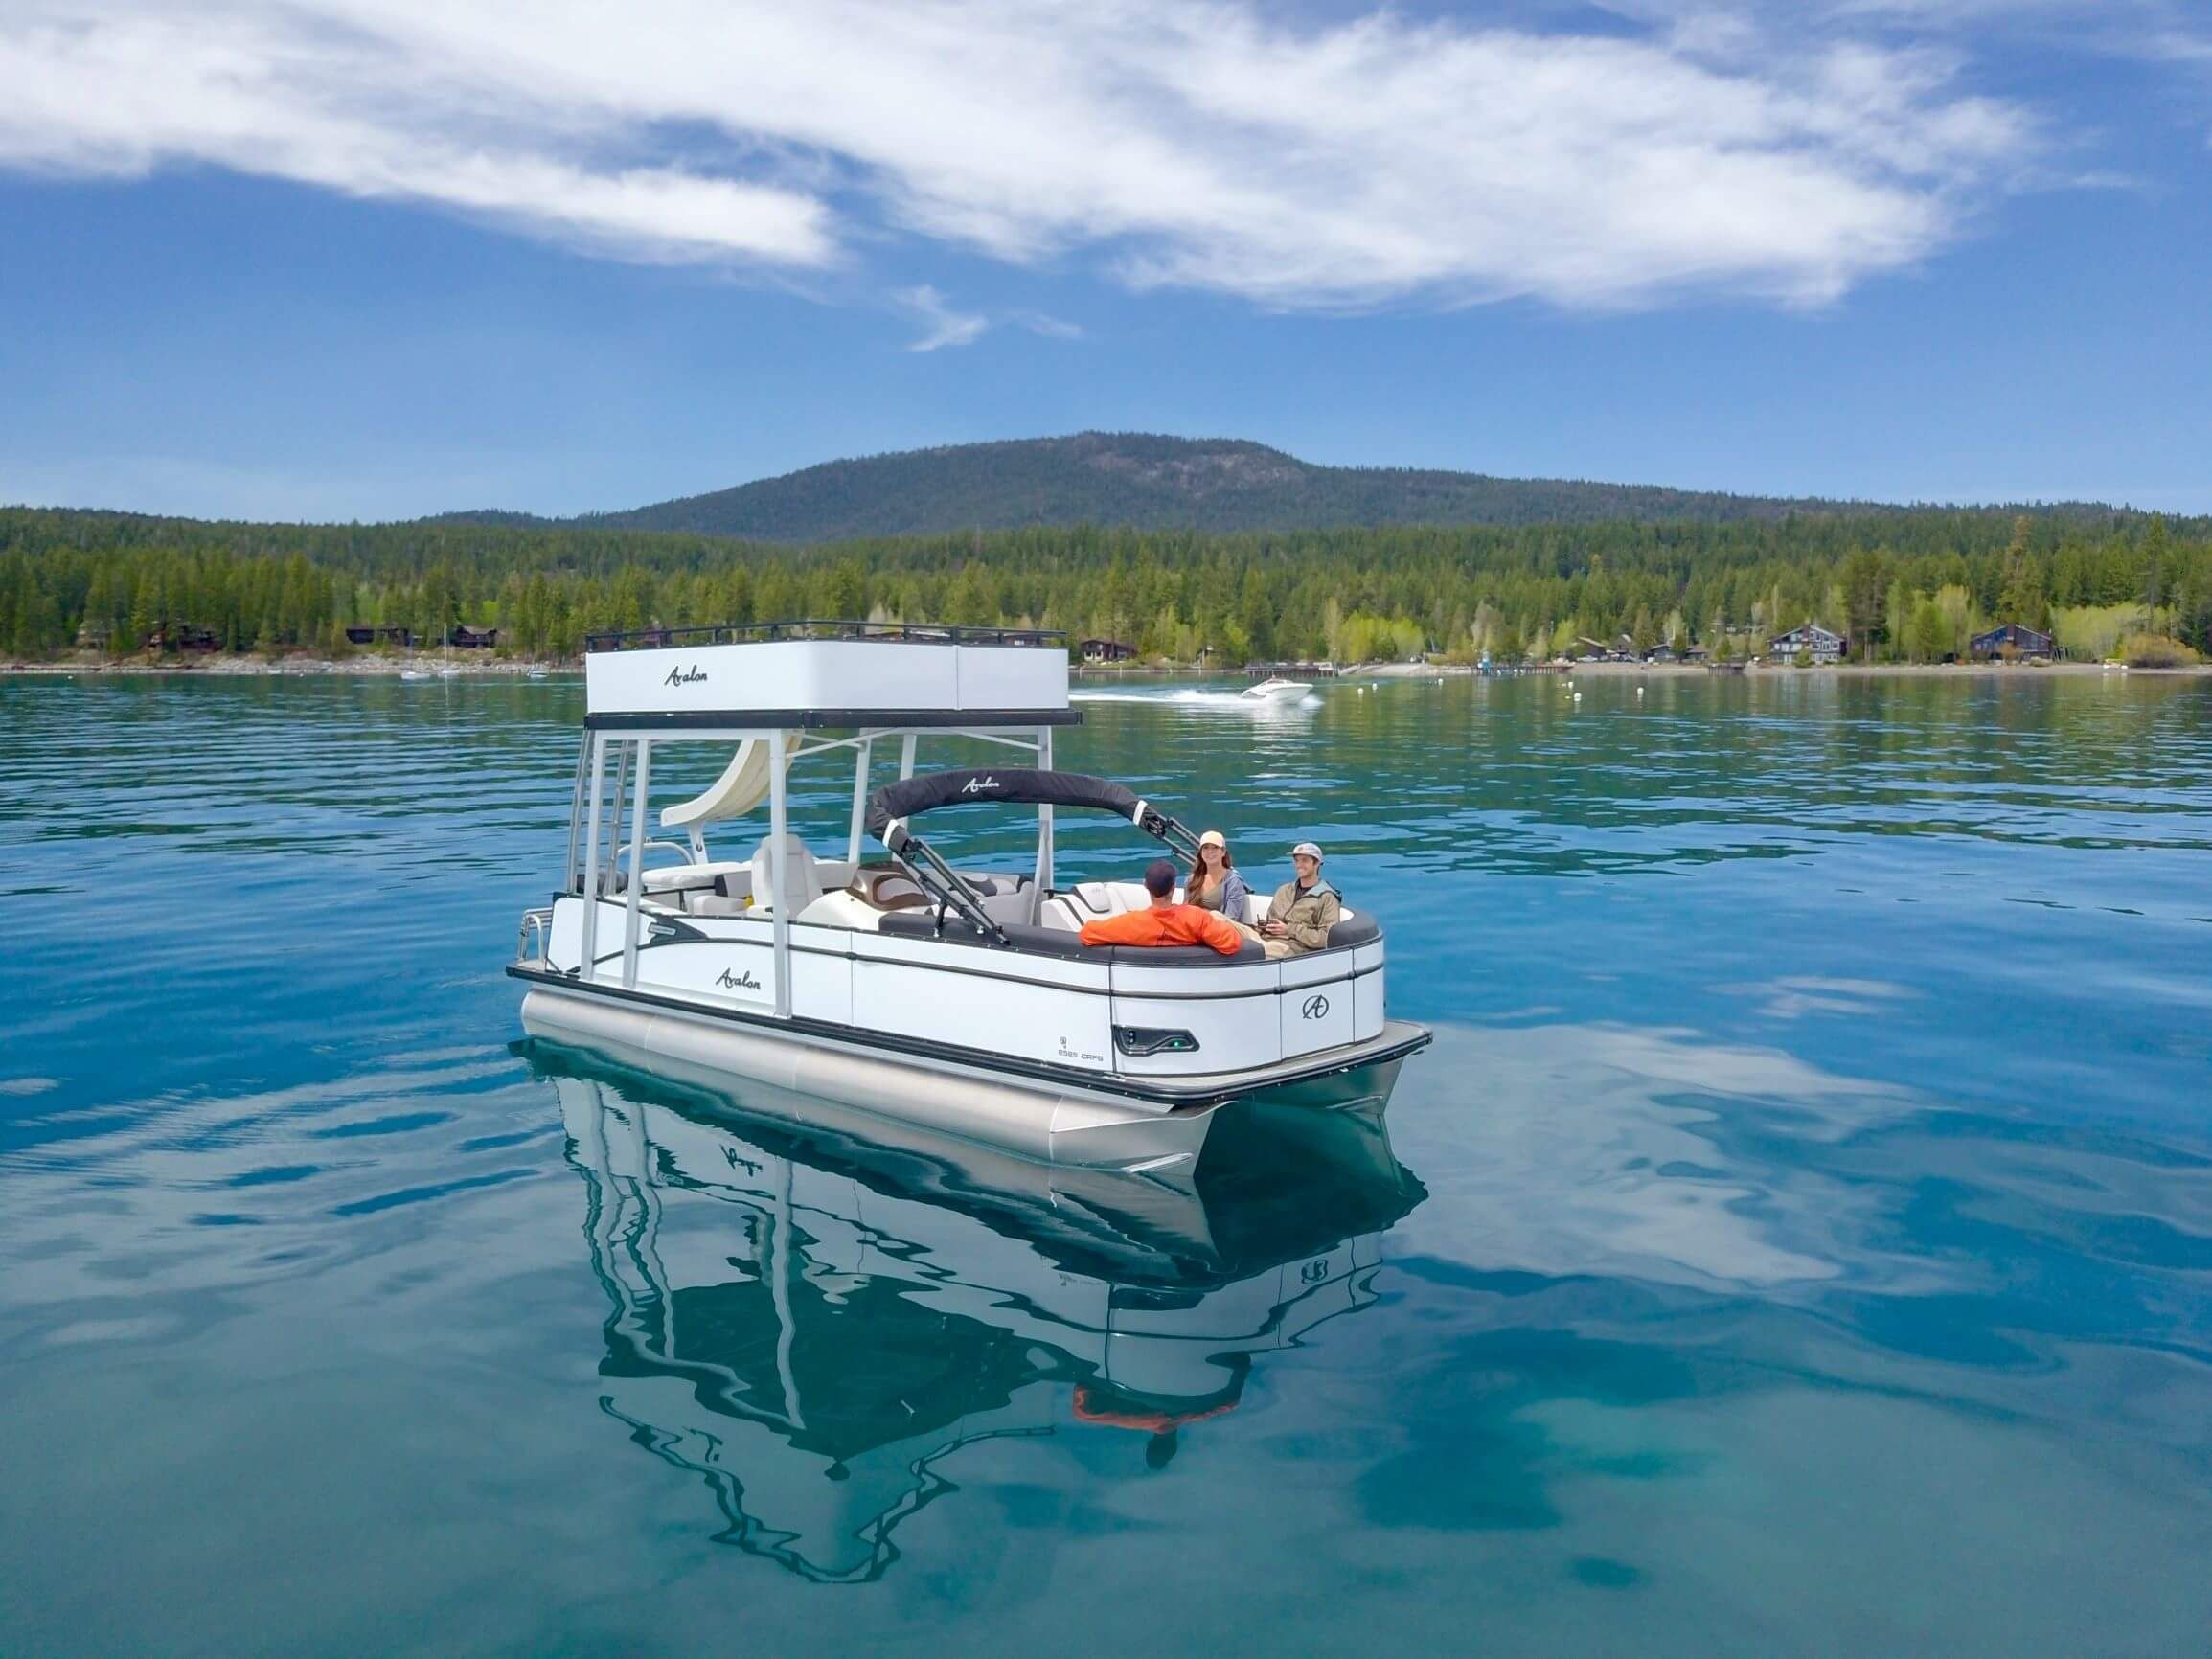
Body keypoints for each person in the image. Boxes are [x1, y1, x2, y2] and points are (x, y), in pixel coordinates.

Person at [1079, 859, 1244, 956]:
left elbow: (1087, 933)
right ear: (1173, 888)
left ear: (1145, 886)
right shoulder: (1197, 918)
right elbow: (1232, 943)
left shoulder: (1130, 923)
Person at [1259, 841, 1340, 959]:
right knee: (1225, 924)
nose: (1299, 865)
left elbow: (1326, 938)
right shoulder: (1284, 890)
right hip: (1265, 938)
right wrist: (1265, 926)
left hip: (1293, 948)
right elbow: (1270, 918)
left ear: (1317, 863)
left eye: (1304, 860)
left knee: (1251, 951)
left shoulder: (1327, 897)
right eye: (1297, 860)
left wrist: (1289, 930)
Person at [1184, 830, 1252, 926]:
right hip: (1193, 930)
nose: (1210, 851)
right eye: (1206, 848)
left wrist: (1202, 916)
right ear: (1201, 852)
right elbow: (1185, 911)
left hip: (1220, 933)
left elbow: (1231, 921)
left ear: (1223, 852)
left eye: (1215, 847)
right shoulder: (1191, 880)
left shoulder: (1233, 882)